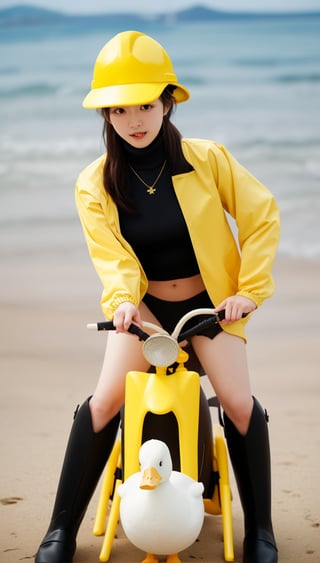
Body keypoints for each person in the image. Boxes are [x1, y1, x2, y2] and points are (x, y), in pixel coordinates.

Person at [35, 31, 280, 563]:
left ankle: (261, 530)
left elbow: (262, 217)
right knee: (103, 404)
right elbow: (112, 258)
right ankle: (59, 531)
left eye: (145, 104)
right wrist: (124, 302)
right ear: (106, 115)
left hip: (209, 307)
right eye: (119, 109)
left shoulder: (207, 160)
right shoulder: (95, 183)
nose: (135, 120)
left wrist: (248, 292)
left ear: (167, 102)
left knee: (238, 405)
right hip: (145, 313)